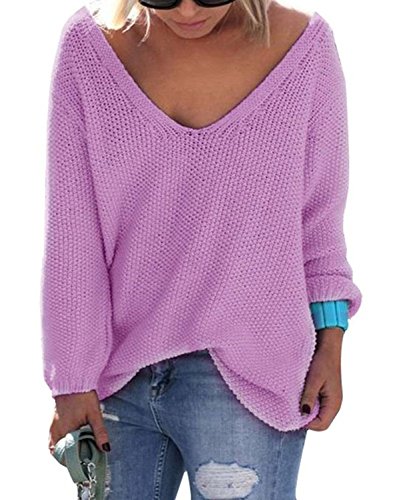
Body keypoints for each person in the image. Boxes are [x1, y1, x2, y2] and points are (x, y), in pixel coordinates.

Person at [42, 0, 362, 497]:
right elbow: (73, 232)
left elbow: (318, 222)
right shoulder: (89, 49)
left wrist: (331, 342)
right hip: (114, 379)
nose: (188, 10)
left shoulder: (304, 49)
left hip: (250, 378)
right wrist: (70, 379)